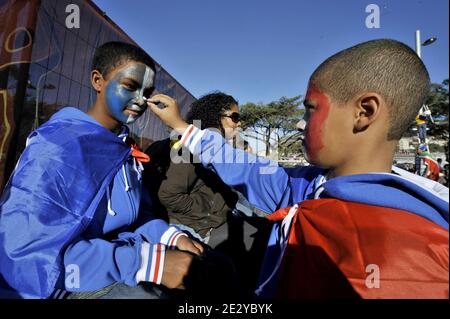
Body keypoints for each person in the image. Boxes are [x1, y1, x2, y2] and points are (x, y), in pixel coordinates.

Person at [147, 39, 449, 298]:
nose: (299, 123)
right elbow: (247, 169)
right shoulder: (310, 188)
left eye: (311, 109)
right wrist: (182, 127)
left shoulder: (418, 256)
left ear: (364, 112)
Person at [0, 41, 203, 299]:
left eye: (147, 92)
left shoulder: (122, 148)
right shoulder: (58, 145)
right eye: (130, 86)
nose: (140, 100)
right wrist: (148, 264)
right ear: (98, 80)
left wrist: (172, 237)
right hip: (62, 285)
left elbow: (136, 215)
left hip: (118, 259)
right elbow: (25, 253)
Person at [143, 92, 241, 243]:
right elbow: (169, 195)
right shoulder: (189, 148)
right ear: (215, 119)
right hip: (198, 228)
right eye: (235, 118)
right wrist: (208, 220)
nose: (239, 123)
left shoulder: (206, 147)